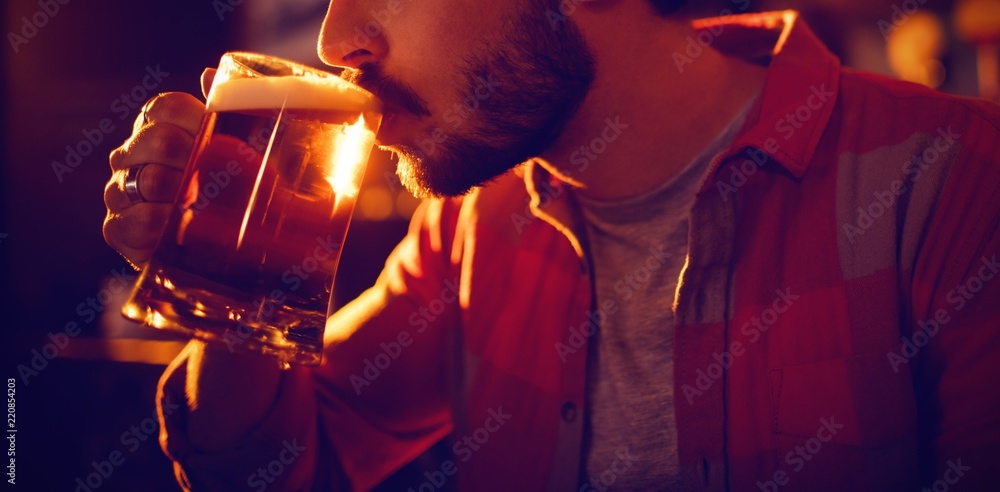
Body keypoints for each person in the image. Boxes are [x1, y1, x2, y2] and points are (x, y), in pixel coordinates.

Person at [103, 0, 1000, 490]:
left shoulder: (959, 179)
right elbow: (270, 472)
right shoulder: (472, 225)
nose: (338, 39)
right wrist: (228, 285)